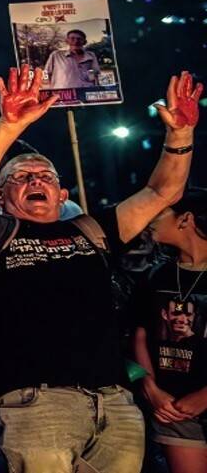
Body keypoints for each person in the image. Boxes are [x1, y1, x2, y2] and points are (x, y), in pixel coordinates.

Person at [0, 65, 200, 472]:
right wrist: (9, 126)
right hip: (35, 402)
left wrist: (181, 135)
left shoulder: (92, 229)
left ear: (61, 192)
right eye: (21, 176)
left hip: (113, 403)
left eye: (45, 176)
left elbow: (162, 191)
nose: (36, 180)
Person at [134, 187, 207, 472]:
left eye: (159, 212)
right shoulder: (155, 275)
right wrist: (150, 388)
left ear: (185, 219)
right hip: (173, 409)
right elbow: (141, 334)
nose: (149, 218)